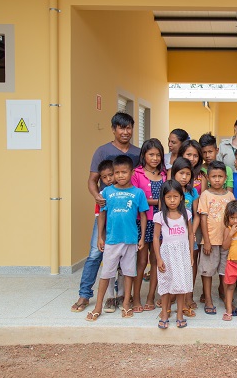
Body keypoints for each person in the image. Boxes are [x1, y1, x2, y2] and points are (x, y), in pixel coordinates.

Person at [71, 112, 140, 313]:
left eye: (128, 128)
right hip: (107, 211)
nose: (125, 132)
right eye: (121, 128)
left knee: (126, 255)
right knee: (95, 253)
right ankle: (84, 295)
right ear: (113, 129)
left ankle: (116, 296)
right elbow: (92, 180)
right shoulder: (102, 151)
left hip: (128, 212)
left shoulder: (137, 153)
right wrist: (97, 197)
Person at [85, 155, 149, 322]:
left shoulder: (138, 193)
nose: (120, 176)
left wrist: (141, 238)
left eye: (124, 172)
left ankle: (126, 303)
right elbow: (101, 214)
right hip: (112, 240)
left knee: (129, 273)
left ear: (131, 172)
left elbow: (143, 216)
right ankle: (98, 306)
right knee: (106, 274)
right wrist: (100, 236)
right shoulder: (106, 192)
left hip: (130, 240)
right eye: (117, 173)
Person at [130, 138, 166, 314]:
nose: (155, 158)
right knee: (141, 261)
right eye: (151, 154)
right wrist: (158, 201)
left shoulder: (164, 175)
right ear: (144, 155)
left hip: (160, 223)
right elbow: (136, 199)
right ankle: (136, 297)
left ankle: (151, 296)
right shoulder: (136, 174)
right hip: (143, 223)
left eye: (158, 154)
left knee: (155, 261)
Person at [153, 180, 194, 329]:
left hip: (182, 254)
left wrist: (190, 254)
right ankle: (164, 313)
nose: (172, 200)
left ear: (181, 197)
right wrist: (158, 258)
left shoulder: (186, 214)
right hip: (167, 255)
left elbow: (190, 233)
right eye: (168, 197)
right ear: (163, 198)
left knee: (181, 284)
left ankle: (180, 314)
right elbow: (156, 238)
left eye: (175, 196)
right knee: (165, 283)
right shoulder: (159, 216)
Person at [197, 161, 235, 316]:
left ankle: (227, 300)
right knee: (207, 272)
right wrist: (206, 240)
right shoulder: (205, 195)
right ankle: (208, 300)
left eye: (220, 176)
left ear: (225, 177)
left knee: (225, 272)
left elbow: (234, 218)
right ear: (208, 177)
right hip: (211, 241)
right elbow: (203, 219)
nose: (217, 179)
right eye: (214, 176)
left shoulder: (230, 195)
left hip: (227, 241)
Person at [94, 160, 125, 314]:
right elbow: (100, 216)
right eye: (104, 177)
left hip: (124, 236)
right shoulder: (103, 196)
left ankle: (122, 295)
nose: (108, 179)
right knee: (110, 268)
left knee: (123, 268)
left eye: (110, 175)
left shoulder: (127, 192)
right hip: (110, 236)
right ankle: (110, 297)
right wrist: (101, 237)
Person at [170, 157, 200, 314]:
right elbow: (163, 213)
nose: (184, 177)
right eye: (181, 173)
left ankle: (188, 296)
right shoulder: (168, 189)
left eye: (188, 174)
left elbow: (197, 215)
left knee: (190, 265)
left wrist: (192, 232)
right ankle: (173, 294)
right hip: (172, 236)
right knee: (172, 266)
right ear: (174, 173)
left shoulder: (193, 192)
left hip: (188, 236)